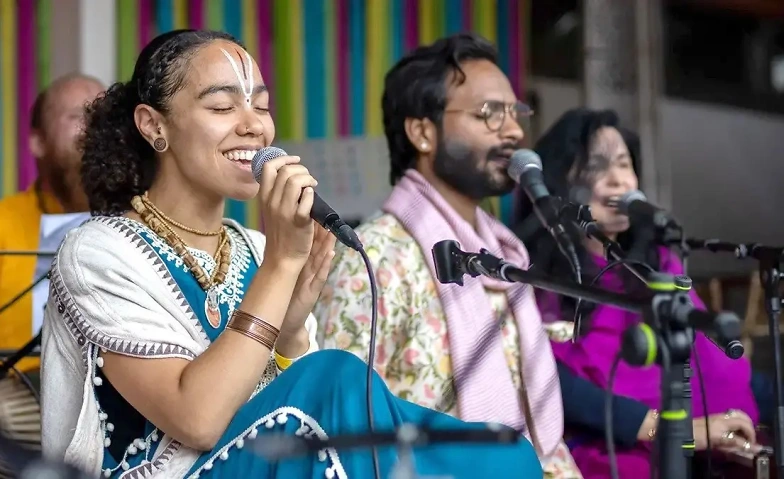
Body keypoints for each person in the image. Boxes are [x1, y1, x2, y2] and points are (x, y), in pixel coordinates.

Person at [39, 30, 541, 479]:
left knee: (506, 454)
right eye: (222, 107)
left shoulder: (253, 248)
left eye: (261, 106)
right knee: (339, 374)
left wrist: (292, 331)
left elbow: (299, 415)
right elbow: (198, 419)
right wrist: (279, 268)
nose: (253, 126)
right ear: (153, 126)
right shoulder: (99, 252)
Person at [315, 33, 582, 478]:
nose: (514, 132)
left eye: (515, 113)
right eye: (490, 113)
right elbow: (340, 426)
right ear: (423, 132)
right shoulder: (375, 257)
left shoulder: (503, 253)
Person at [515, 107, 768, 478]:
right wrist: (675, 431)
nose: (618, 180)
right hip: (609, 449)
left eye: (624, 163)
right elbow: (552, 386)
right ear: (559, 183)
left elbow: (711, 361)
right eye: (596, 167)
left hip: (706, 447)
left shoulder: (657, 265)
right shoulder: (536, 278)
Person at [0, 73, 104, 373]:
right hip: (17, 388)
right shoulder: (5, 221)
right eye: (78, 115)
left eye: (104, 115)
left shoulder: (143, 217)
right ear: (38, 142)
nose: (96, 126)